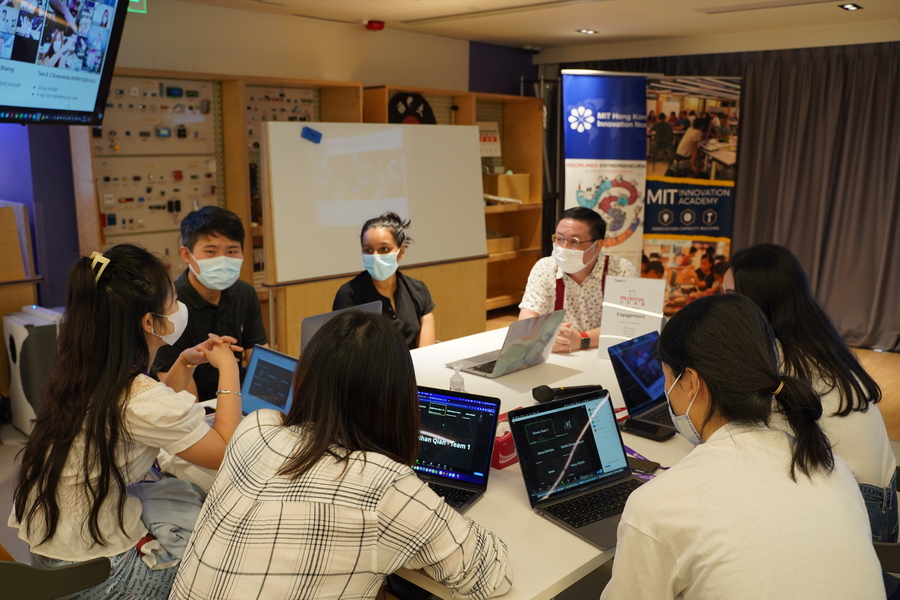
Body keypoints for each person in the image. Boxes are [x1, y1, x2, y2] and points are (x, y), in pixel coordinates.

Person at [170, 311, 513, 600]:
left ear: (304, 378)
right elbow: (491, 576)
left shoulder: (256, 428)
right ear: (398, 398)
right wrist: (420, 532)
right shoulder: (386, 486)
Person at [601, 294, 884, 599]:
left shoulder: (656, 507)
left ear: (692, 382)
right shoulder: (831, 467)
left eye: (667, 379)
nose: (668, 393)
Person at [9, 244, 243, 599]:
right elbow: (224, 450)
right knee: (219, 558)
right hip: (94, 575)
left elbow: (146, 413)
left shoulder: (87, 369)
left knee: (177, 494)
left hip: (53, 554)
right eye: (172, 303)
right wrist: (229, 370)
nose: (178, 309)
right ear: (150, 322)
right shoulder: (138, 397)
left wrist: (184, 363)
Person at [725, 243, 897, 542]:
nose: (723, 309)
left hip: (862, 514)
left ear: (760, 302)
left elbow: (751, 443)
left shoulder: (778, 360)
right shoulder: (814, 338)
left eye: (730, 298)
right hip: (883, 498)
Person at [152, 206, 267, 401]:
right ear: (187, 255)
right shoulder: (168, 305)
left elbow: (262, 363)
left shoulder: (245, 293)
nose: (222, 260)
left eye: (232, 251)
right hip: (193, 410)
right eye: (211, 252)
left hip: (237, 400)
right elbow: (185, 402)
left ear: (243, 252)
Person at [519, 207, 636, 353]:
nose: (564, 248)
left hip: (606, 354)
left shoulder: (620, 270)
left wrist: (581, 340)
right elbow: (526, 317)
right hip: (559, 353)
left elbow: (628, 325)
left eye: (574, 241)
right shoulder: (545, 267)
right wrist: (545, 334)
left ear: (597, 246)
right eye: (559, 239)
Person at [333, 212, 435, 349]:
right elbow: (347, 353)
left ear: (401, 251)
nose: (375, 256)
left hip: (416, 368)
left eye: (384, 249)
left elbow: (426, 351)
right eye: (368, 250)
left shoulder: (418, 290)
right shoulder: (349, 294)